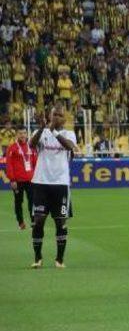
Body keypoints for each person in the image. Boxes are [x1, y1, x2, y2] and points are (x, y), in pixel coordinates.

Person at [28, 104, 77, 268]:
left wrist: (54, 131)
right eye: (54, 114)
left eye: (60, 115)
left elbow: (70, 146)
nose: (57, 117)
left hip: (60, 184)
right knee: (38, 221)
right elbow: (31, 145)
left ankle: (59, 259)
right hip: (41, 182)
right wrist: (43, 128)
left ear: (64, 118)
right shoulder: (40, 132)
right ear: (50, 116)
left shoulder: (69, 133)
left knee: (61, 222)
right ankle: (37, 257)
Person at [5, 125, 38, 229]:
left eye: (24, 133)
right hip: (17, 180)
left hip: (30, 179)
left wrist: (37, 177)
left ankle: (33, 221)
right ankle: (21, 222)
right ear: (17, 134)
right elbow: (9, 165)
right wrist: (12, 179)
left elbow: (35, 163)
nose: (22, 135)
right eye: (20, 133)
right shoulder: (12, 148)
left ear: (27, 134)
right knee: (18, 202)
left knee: (32, 201)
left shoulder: (31, 147)